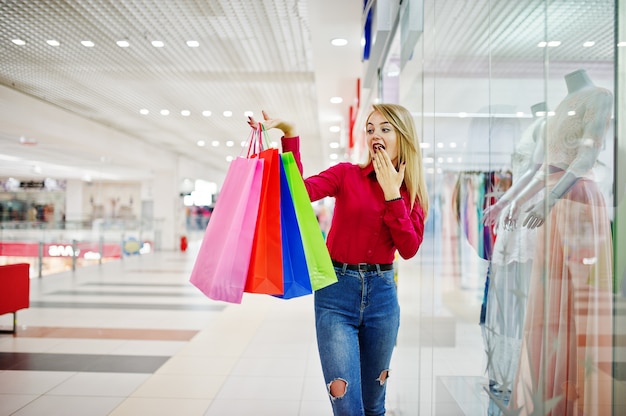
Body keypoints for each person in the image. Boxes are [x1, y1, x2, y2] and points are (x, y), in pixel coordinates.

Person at [248, 103, 429, 416]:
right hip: (335, 295)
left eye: (385, 128)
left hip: (382, 298)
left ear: (403, 137)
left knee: (374, 405)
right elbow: (298, 194)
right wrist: (290, 135)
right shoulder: (347, 175)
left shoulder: (411, 192)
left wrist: (392, 195)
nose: (375, 134)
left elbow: (409, 248)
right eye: (370, 128)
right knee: (345, 402)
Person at [495, 69, 614, 415]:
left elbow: (586, 158)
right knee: (550, 301)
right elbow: (547, 166)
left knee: (579, 300)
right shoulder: (562, 106)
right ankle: (555, 394)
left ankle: (582, 396)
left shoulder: (600, 97)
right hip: (553, 206)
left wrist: (549, 198)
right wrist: (514, 201)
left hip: (576, 204)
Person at [481, 102, 546, 407]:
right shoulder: (531, 129)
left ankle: (527, 372)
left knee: (524, 294)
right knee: (513, 297)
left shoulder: (546, 125)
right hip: (517, 210)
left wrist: (510, 203)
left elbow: (537, 172)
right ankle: (513, 371)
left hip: (529, 210)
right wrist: (506, 204)